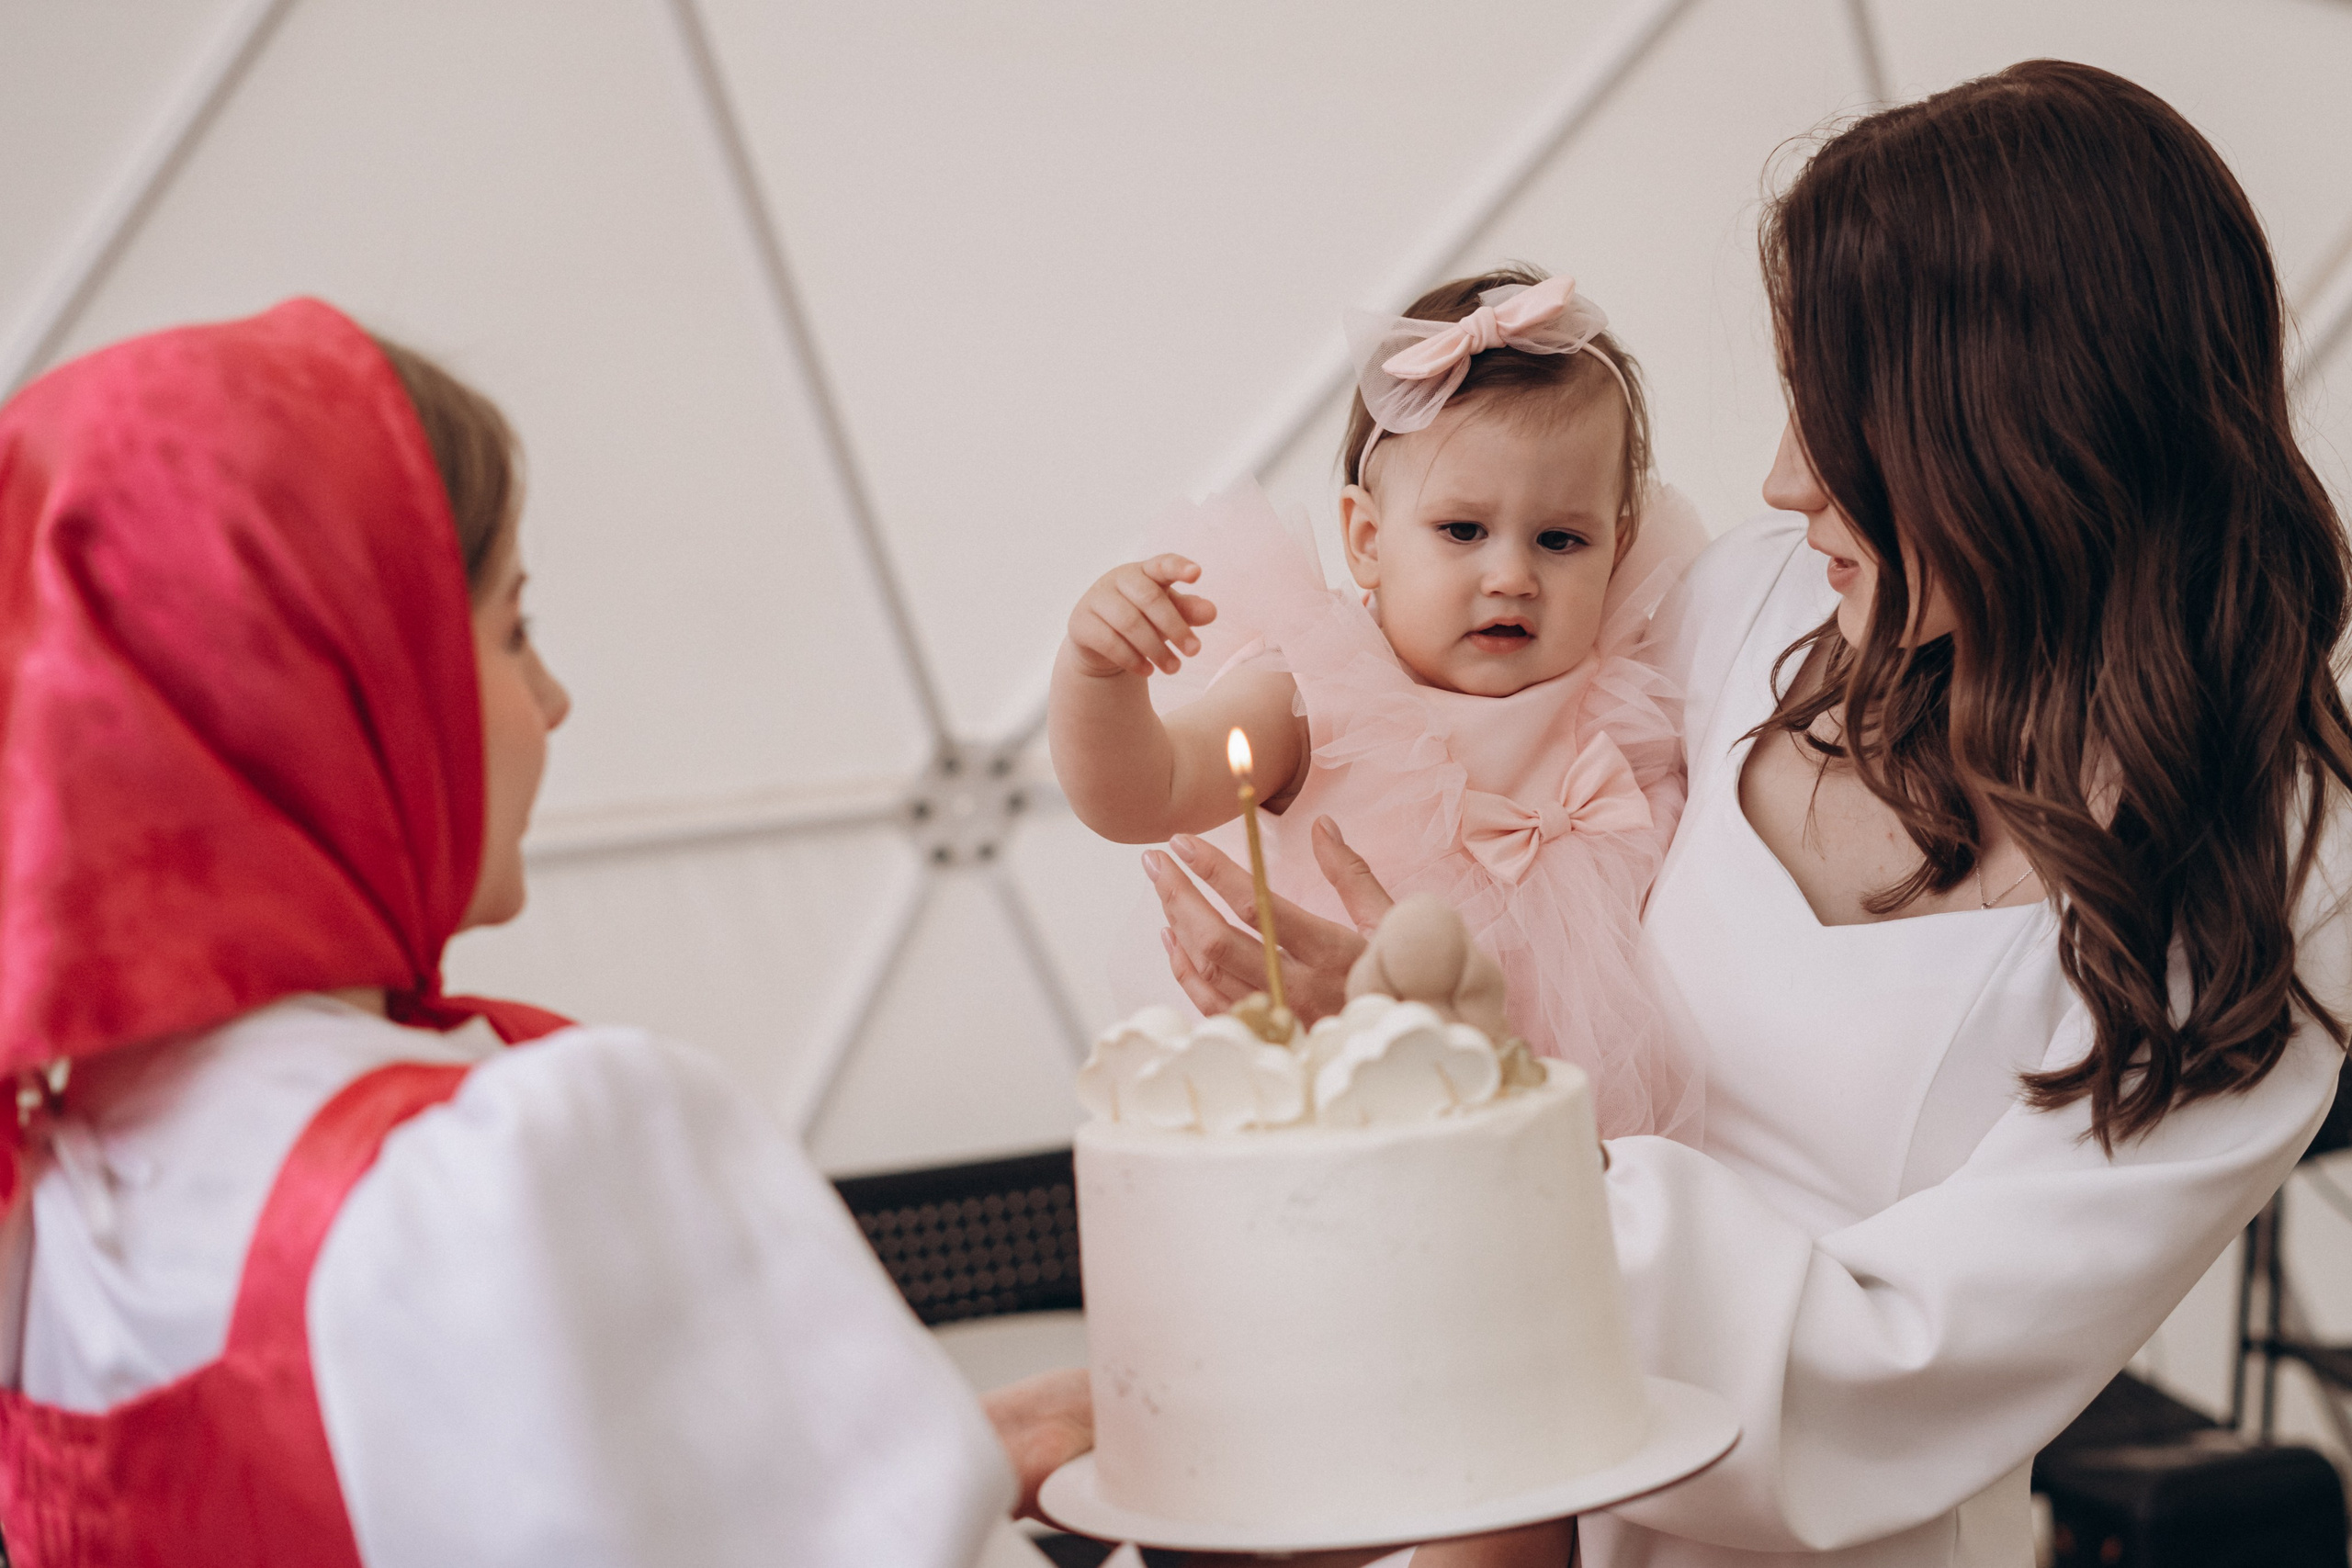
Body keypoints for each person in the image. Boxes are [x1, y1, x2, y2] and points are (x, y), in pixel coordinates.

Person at [1147, 61, 2352, 1566]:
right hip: (1464, 1444)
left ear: (2022, 436)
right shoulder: (1753, 609)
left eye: (1839, 421)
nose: (1781, 479)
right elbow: (1445, 760)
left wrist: (1484, 1129)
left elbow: (1890, 1372)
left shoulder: (2256, 883)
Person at [0, 299, 1090, 1565]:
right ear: (327, 694)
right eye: (512, 626)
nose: (554, 700)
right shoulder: (520, 1169)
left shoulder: (68, 1194)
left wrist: (926, 1453)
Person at [1051, 265, 1706, 1140]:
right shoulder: (1317, 691)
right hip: (1334, 1107)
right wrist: (1097, 674)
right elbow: (1149, 790)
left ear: (1615, 548)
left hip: (1555, 1120)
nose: (1512, 575)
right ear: (1366, 539)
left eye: (1561, 539)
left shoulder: (1626, 698)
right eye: (1462, 531)